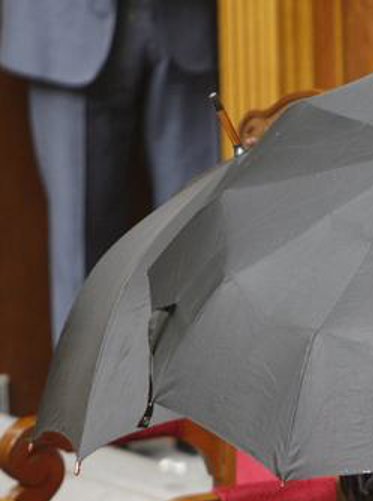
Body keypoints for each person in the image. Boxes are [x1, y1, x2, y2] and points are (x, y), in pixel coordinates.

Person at [0, 0, 219, 342]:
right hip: (65, 23)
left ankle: (197, 377)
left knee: (200, 240)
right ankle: (86, 381)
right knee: (82, 270)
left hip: (189, 20)